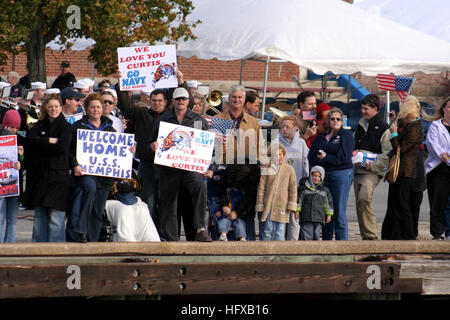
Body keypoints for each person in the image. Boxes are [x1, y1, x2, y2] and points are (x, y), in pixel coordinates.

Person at [150, 87, 212, 242]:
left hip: (190, 168)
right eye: (178, 99)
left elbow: (209, 147)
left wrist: (210, 168)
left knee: (199, 185)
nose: (181, 101)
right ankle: (172, 239)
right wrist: (153, 146)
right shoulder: (163, 120)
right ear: (172, 101)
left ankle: (201, 228)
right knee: (169, 203)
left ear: (188, 101)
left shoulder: (198, 120)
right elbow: (151, 142)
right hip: (169, 168)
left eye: (183, 99)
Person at [214, 85, 265, 239]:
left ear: (244, 101)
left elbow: (260, 147)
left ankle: (247, 245)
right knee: (223, 211)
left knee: (246, 212)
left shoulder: (253, 122)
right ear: (229, 99)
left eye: (239, 97)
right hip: (224, 170)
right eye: (234, 97)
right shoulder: (217, 120)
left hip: (246, 172)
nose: (236, 100)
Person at [22, 94, 73, 242]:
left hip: (57, 178)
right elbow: (29, 140)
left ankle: (56, 253)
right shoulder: (40, 123)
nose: (53, 109)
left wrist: (40, 143)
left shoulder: (66, 127)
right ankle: (37, 251)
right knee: (40, 215)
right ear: (46, 107)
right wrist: (49, 140)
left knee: (56, 217)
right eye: (50, 106)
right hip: (40, 176)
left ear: (61, 107)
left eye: (56, 106)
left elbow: (61, 148)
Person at [69, 93, 116, 242]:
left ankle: (93, 242)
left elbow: (117, 150)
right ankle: (81, 230)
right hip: (85, 172)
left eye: (98, 107)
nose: (95, 110)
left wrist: (129, 151)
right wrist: (75, 165)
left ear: (102, 108)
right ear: (87, 109)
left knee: (98, 210)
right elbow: (69, 150)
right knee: (90, 189)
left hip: (104, 175)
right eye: (92, 107)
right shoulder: (78, 127)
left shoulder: (110, 128)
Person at [382, 96, 425, 240]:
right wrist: (395, 122)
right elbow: (403, 129)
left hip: (407, 171)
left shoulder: (416, 129)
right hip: (402, 171)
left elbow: (402, 149)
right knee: (396, 203)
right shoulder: (411, 125)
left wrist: (394, 134)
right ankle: (395, 233)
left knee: (402, 203)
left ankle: (409, 233)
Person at [308, 107, 354, 240]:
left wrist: (325, 157)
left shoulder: (346, 136)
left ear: (342, 121)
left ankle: (342, 247)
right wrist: (322, 159)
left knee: (338, 211)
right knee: (326, 212)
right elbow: (311, 156)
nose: (335, 121)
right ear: (328, 120)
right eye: (332, 118)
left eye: (338, 119)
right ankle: (327, 245)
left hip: (341, 175)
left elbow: (344, 158)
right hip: (323, 175)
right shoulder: (321, 137)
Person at [353, 94, 392, 240]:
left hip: (371, 171)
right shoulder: (360, 125)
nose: (363, 111)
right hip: (357, 169)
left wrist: (374, 166)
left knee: (364, 198)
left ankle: (371, 235)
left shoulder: (383, 128)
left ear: (375, 109)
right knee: (359, 203)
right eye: (362, 108)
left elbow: (388, 152)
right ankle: (365, 236)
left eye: (366, 108)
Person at [256, 144, 297, 241]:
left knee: (280, 231)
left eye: (280, 154)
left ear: (284, 155)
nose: (278, 157)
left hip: (283, 205)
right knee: (267, 230)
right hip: (269, 205)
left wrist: (291, 205)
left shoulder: (289, 169)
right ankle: (266, 253)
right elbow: (261, 188)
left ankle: (279, 254)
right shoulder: (266, 169)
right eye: (275, 155)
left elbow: (293, 189)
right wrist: (260, 204)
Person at [278, 115, 309, 240]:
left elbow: (306, 163)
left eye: (287, 127)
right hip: (280, 186)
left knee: (294, 217)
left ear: (295, 128)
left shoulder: (301, 143)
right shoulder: (277, 142)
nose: (284, 129)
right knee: (280, 216)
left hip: (297, 186)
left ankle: (293, 244)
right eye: (282, 127)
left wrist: (305, 181)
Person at [423, 96, 450, 240]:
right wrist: (445, 156)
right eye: (449, 107)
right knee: (437, 202)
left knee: (449, 204)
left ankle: (449, 231)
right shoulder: (435, 126)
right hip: (438, 169)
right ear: (444, 109)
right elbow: (434, 146)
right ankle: (437, 232)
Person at [104, 176, 160, 242]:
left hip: (129, 196)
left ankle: (152, 243)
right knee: (124, 211)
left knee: (143, 209)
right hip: (109, 197)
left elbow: (137, 185)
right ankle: (129, 244)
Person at [216, 162, 260, 241]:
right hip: (229, 202)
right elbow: (221, 187)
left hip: (247, 200)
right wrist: (224, 205)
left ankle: (250, 243)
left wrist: (237, 212)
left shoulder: (254, 171)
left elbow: (250, 196)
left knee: (247, 221)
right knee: (224, 222)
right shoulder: (229, 169)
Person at [0, 111, 22, 243]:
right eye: (10, 127)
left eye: (15, 128)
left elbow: (25, 162)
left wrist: (21, 158)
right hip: (2, 183)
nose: (12, 130)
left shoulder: (19, 139)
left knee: (12, 220)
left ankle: (11, 248)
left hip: (14, 183)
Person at [296, 165, 333, 240]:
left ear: (321, 178)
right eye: (314, 176)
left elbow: (328, 204)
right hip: (306, 217)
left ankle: (315, 251)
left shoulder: (324, 190)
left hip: (319, 217)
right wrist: (297, 211)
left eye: (319, 176)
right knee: (306, 235)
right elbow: (299, 201)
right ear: (310, 176)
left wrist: (329, 214)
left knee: (316, 235)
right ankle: (306, 250)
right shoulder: (304, 189)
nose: (316, 178)